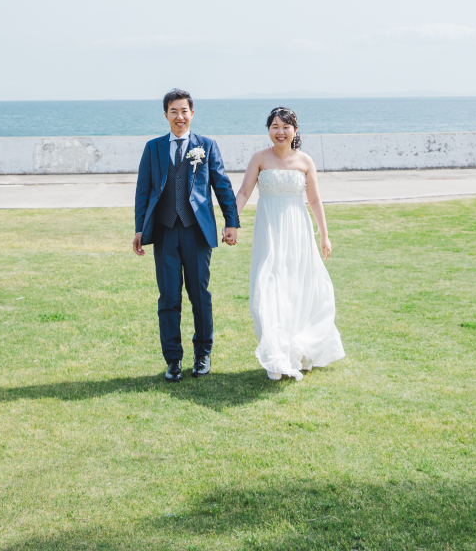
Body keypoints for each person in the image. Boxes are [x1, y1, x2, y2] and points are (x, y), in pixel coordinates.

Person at [133, 88, 240, 382]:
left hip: (196, 232)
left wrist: (231, 222)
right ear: (166, 115)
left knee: (199, 296)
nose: (179, 117)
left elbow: (222, 186)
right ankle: (173, 361)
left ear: (192, 113)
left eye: (184, 111)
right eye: (173, 111)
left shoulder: (206, 145)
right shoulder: (152, 148)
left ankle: (202, 355)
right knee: (168, 298)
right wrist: (140, 229)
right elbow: (143, 191)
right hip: (165, 232)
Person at [235, 106, 345, 381]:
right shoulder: (259, 158)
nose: (280, 131)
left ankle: (294, 350)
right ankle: (275, 354)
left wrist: (324, 234)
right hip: (269, 231)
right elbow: (245, 191)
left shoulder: (305, 161)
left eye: (285, 127)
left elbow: (315, 200)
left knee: (299, 288)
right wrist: (231, 222)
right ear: (268, 130)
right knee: (267, 289)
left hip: (298, 231)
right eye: (274, 126)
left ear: (295, 130)